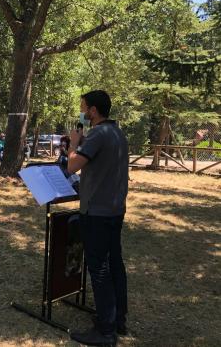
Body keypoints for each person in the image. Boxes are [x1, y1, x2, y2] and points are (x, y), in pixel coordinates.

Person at [67, 90, 129, 346]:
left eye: (83, 107)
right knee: (115, 264)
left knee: (99, 269)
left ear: (92, 111)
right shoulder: (117, 133)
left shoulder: (98, 134)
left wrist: (73, 143)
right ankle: (117, 319)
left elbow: (72, 166)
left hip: (97, 213)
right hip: (115, 210)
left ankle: (105, 332)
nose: (81, 111)